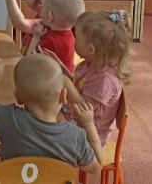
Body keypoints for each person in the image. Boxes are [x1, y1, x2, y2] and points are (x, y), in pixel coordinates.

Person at [0, 54, 103, 183]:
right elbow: (97, 167)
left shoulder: (8, 118)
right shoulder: (75, 137)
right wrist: (89, 125)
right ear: (63, 95)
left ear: (18, 98)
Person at [45, 10, 131, 147]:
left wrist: (65, 81)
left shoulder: (104, 80)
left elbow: (84, 106)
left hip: (88, 139)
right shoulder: (92, 63)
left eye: (77, 37)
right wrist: (62, 68)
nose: (73, 39)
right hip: (74, 120)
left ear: (91, 49)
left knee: (39, 129)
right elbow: (81, 86)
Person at [28, 0, 85, 72]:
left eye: (42, 7)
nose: (40, 10)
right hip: (64, 77)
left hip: (50, 79)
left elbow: (28, 64)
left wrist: (35, 37)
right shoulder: (70, 35)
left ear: (50, 16)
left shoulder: (50, 42)